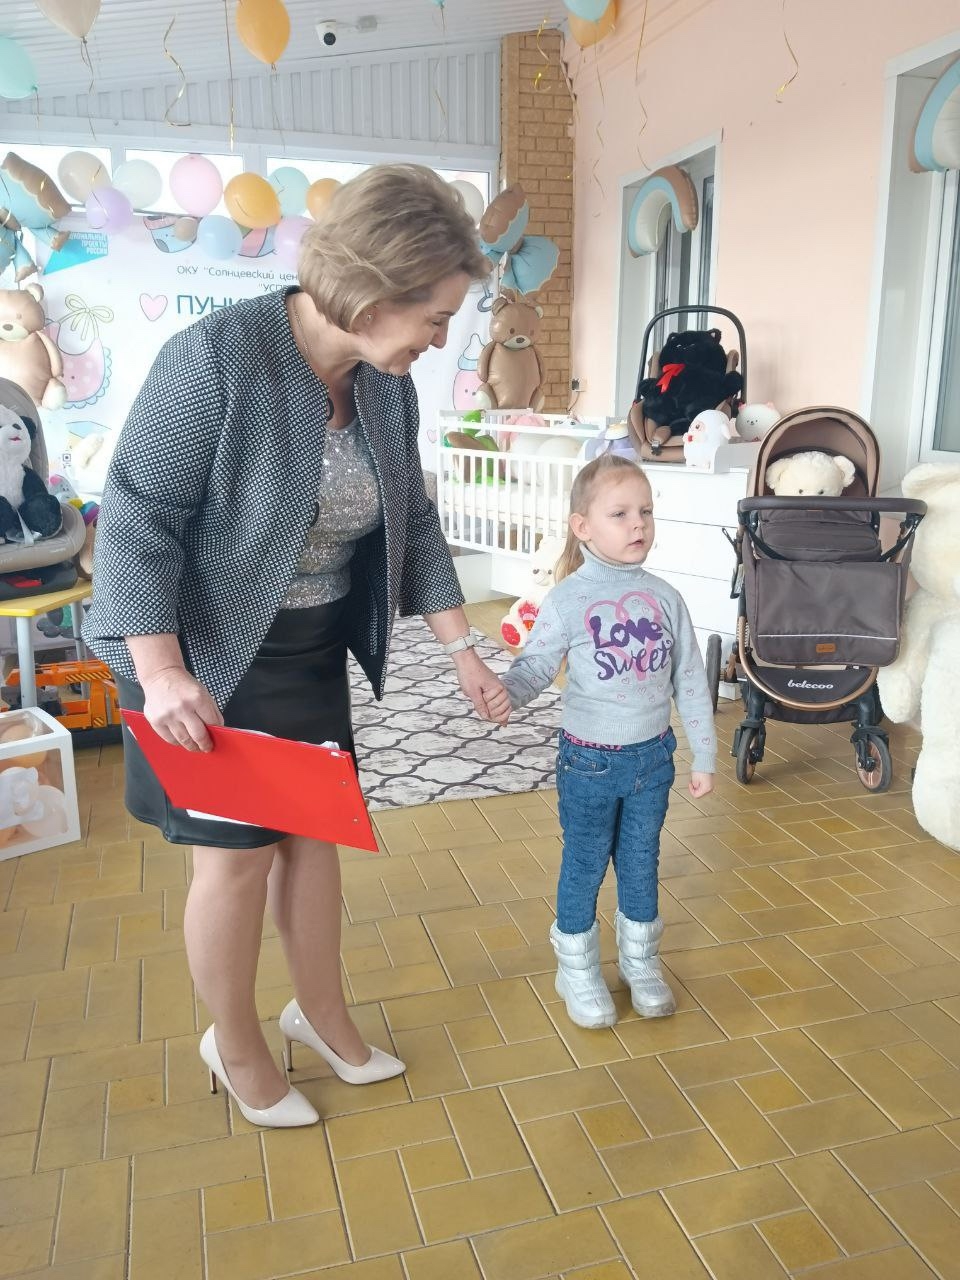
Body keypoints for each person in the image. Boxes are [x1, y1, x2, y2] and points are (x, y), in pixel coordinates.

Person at [84, 164, 510, 1128]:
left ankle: (320, 1015)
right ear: (375, 289)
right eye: (435, 317)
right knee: (236, 861)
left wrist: (463, 651)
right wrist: (160, 670)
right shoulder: (217, 359)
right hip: (203, 663)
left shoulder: (385, 387)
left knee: (314, 841)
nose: (439, 339)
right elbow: (139, 518)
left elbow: (414, 521)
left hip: (309, 652)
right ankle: (234, 1044)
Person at [489, 454, 716, 1029]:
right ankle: (577, 968)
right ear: (583, 527)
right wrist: (507, 694)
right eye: (620, 514)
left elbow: (690, 678)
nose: (638, 523)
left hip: (653, 759)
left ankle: (640, 963)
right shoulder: (568, 599)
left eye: (646, 511)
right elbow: (536, 666)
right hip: (588, 761)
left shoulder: (666, 598)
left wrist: (705, 754)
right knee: (586, 862)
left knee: (641, 862)